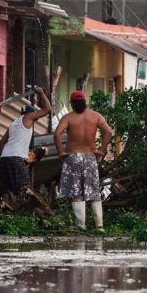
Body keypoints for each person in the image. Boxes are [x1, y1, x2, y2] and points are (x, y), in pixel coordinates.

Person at [54, 90, 113, 232]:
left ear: (72, 104)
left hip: (73, 157)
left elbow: (57, 134)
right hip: (90, 157)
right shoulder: (96, 116)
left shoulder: (68, 118)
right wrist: (102, 150)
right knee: (93, 192)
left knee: (76, 193)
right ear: (85, 102)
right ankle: (99, 227)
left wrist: (60, 152)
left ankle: (81, 226)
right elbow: (109, 132)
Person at [0, 86, 51, 196]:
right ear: (31, 114)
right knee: (25, 190)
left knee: (8, 191)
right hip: (16, 158)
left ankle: (8, 209)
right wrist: (41, 93)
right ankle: (23, 211)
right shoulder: (28, 117)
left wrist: (5, 156)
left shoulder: (14, 123)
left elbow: (1, 143)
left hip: (5, 158)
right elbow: (47, 110)